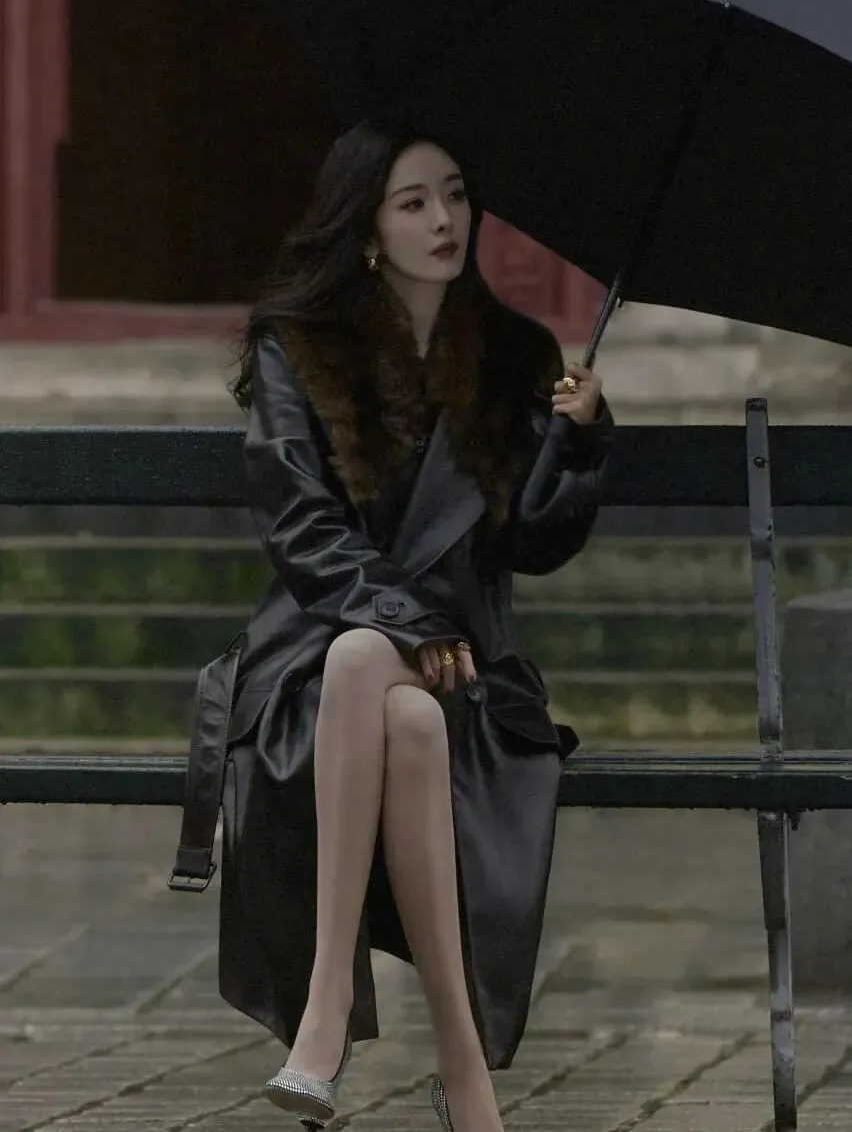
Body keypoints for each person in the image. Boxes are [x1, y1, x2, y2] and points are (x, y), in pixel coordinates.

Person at [218, 116, 613, 1132]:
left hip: (471, 669)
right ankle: (464, 1074)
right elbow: (301, 527)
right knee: (382, 683)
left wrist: (575, 444)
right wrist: (403, 617)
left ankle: (325, 1021)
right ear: (365, 230)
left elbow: (530, 543)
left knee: (410, 702)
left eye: (457, 195)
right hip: (315, 662)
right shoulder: (299, 347)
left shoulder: (518, 355)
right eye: (414, 202)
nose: (445, 220)